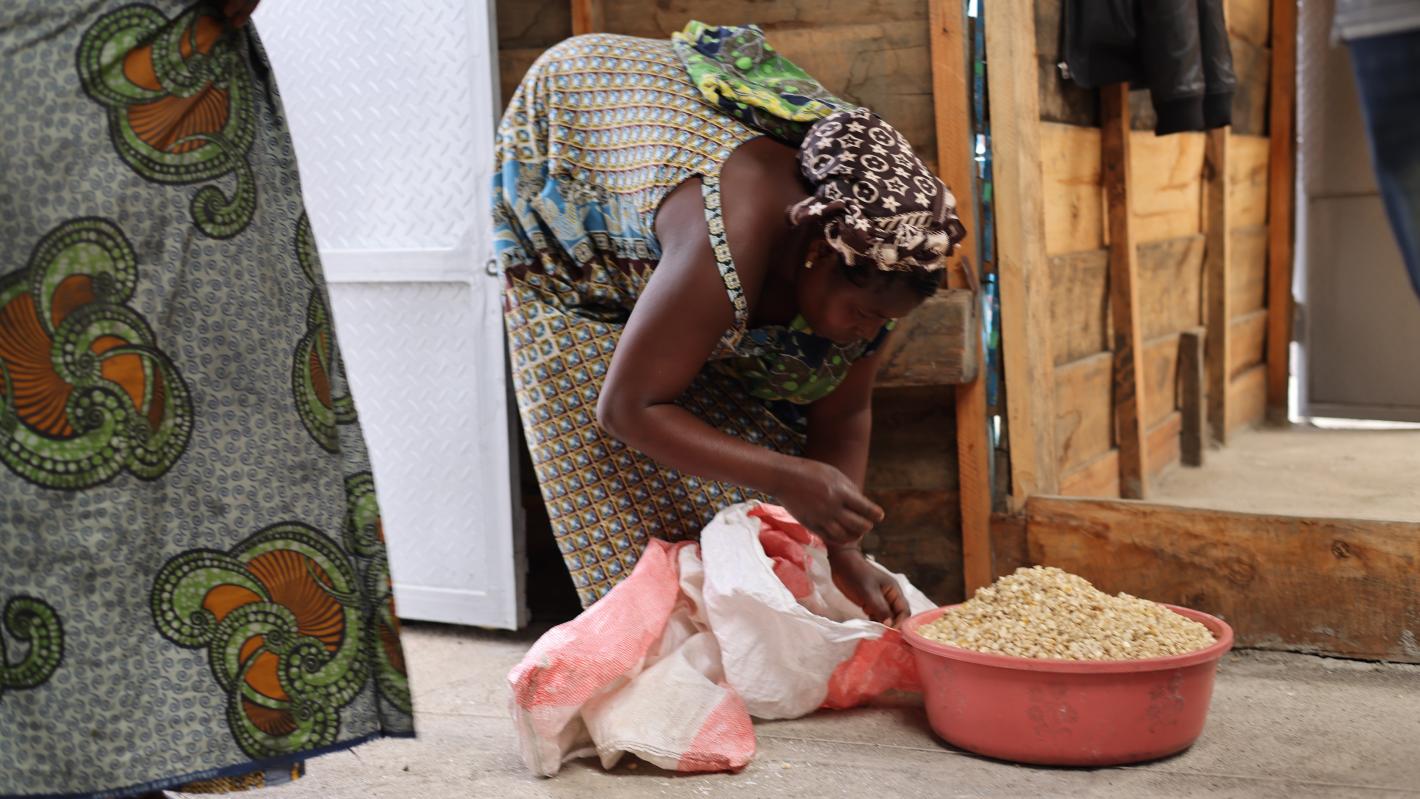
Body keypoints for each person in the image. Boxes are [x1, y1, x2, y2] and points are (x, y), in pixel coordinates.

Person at [0, 2, 413, 796]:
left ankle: (102, 749)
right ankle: (118, 750)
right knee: (178, 415)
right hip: (117, 77)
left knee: (103, 421)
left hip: (92, 69)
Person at [493, 23, 967, 625]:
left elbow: (844, 412)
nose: (863, 332)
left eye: (882, 323)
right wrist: (786, 475)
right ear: (820, 253)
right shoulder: (728, 237)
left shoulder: (888, 248)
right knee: (604, 416)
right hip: (571, 116)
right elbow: (625, 409)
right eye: (863, 313)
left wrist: (844, 552)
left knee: (740, 385)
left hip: (704, 228)